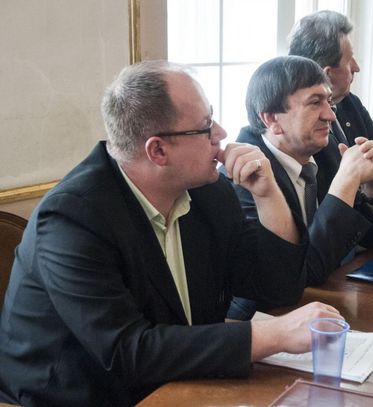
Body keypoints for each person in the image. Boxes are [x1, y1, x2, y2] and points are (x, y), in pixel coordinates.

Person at [0, 60, 343, 407]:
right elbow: (127, 351)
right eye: (205, 126)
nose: (221, 133)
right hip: (75, 398)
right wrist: (272, 335)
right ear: (158, 150)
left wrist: (269, 195)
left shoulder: (208, 192)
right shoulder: (72, 219)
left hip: (176, 383)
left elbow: (278, 287)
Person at [224, 56, 373, 321]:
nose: (330, 115)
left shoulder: (326, 150)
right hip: (266, 318)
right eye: (315, 103)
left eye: (329, 101)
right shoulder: (244, 176)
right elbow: (305, 271)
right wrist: (346, 182)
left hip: (330, 298)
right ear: (272, 119)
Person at [288, 10, 373, 189]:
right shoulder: (299, 123)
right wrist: (364, 169)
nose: (357, 67)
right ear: (327, 74)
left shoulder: (349, 103)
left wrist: (372, 167)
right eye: (349, 60)